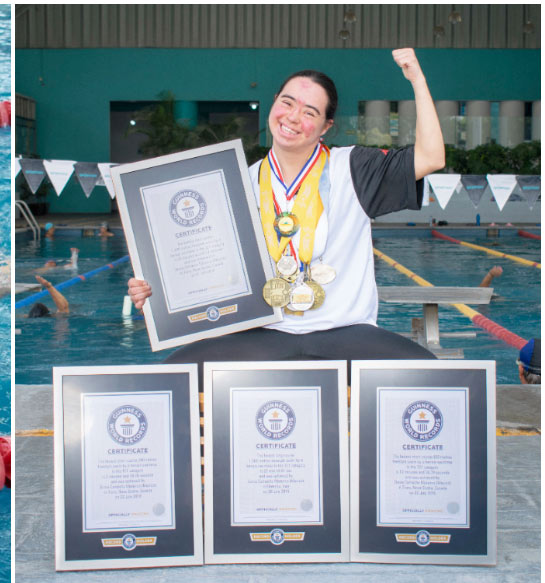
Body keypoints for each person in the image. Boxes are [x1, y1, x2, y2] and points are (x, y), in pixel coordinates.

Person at [128, 49, 444, 376]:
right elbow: (202, 266)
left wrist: (417, 80)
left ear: (325, 126)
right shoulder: (236, 181)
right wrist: (155, 290)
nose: (293, 117)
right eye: (287, 103)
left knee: (432, 377)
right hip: (261, 332)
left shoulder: (353, 168)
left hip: (345, 332)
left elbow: (431, 157)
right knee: (169, 377)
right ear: (274, 102)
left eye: (309, 112)